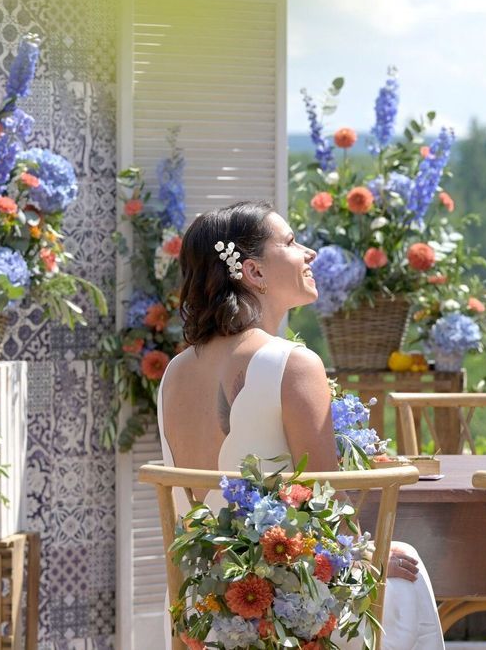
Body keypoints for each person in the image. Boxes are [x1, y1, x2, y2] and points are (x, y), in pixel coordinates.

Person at [157, 201, 444, 650]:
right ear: (253, 272)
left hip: (202, 608)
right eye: (290, 243)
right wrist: (368, 552)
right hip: (285, 613)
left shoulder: (174, 372)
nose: (309, 253)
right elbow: (326, 497)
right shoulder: (292, 363)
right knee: (407, 565)